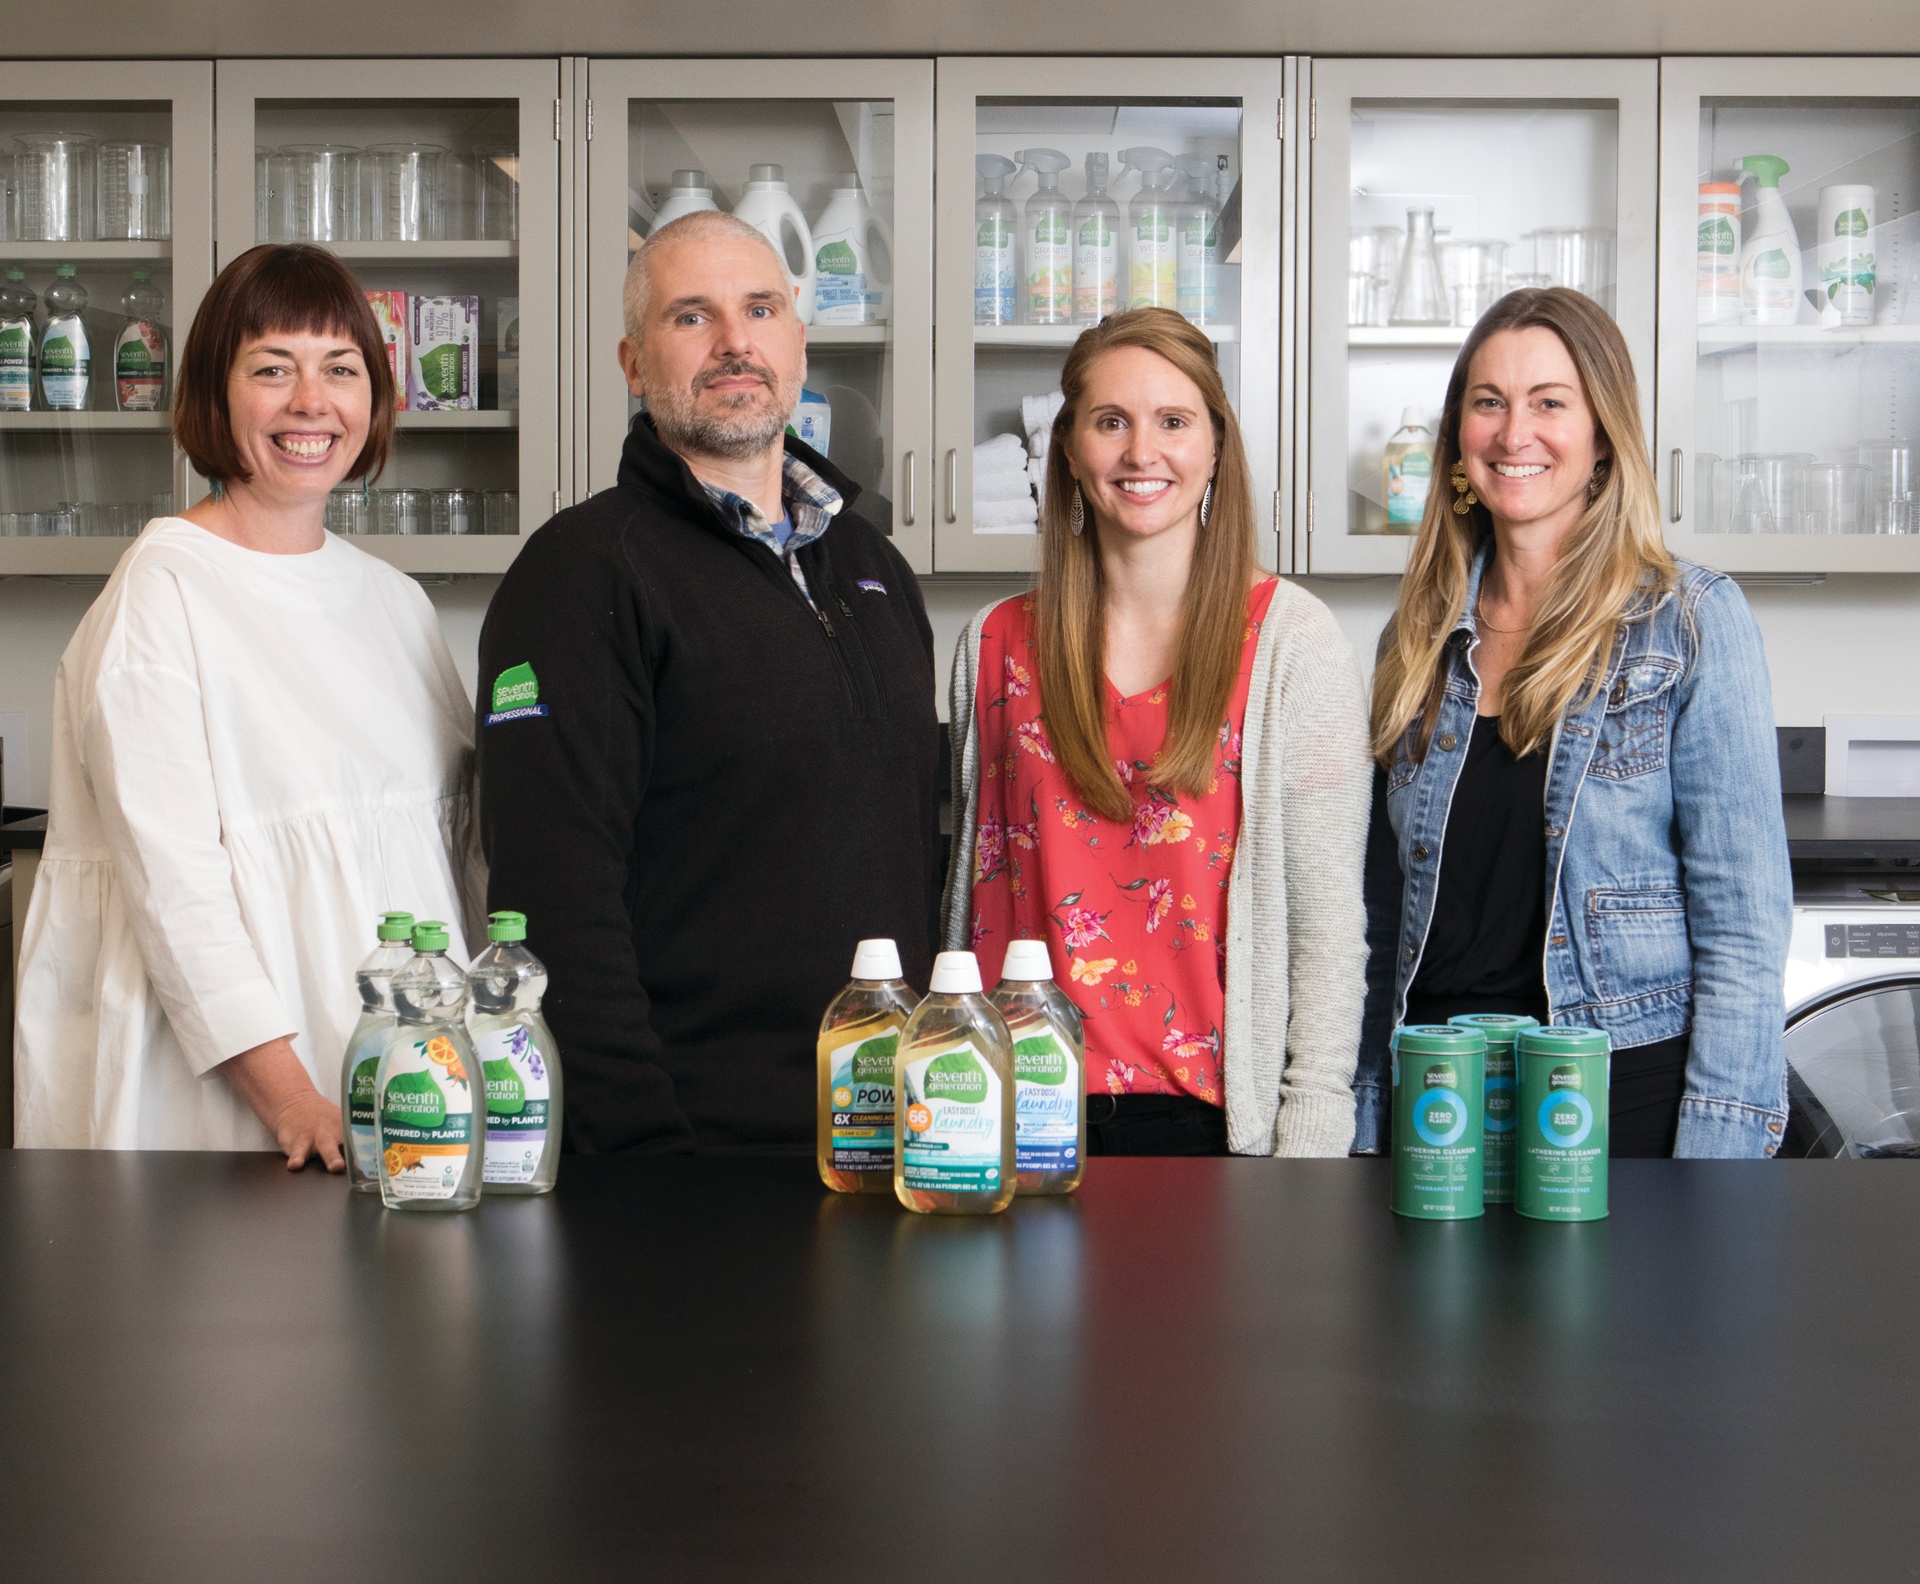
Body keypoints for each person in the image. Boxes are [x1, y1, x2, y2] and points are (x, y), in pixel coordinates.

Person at [476, 210, 939, 1155]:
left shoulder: (872, 563)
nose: (736, 342)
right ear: (633, 363)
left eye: (760, 309)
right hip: (702, 1151)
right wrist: (647, 1155)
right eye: (692, 317)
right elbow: (556, 899)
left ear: (799, 343)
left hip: (898, 1134)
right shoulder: (582, 573)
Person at [13, 244, 481, 1163]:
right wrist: (293, 1100)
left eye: (341, 369)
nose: (312, 402)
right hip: (244, 1094)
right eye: (273, 369)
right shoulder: (166, 590)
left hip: (403, 1083)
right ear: (214, 395)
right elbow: (173, 887)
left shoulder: (394, 601)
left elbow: (453, 856)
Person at [1355, 287, 1791, 1159]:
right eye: (1490, 403)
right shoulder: (1417, 636)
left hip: (1616, 1096)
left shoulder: (1691, 621)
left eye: (1550, 403)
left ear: (1602, 436)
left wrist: (1721, 1165)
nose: (1515, 435)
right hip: (1433, 1099)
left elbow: (1743, 931)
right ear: (1458, 439)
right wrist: (1362, 1116)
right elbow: (1379, 914)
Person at [942, 308, 1372, 1157]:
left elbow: (1326, 929)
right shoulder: (991, 646)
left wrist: (1312, 1140)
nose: (1142, 453)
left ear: (1215, 445)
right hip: (1003, 1119)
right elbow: (965, 906)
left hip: (1215, 1130)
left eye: (1173, 422)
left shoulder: (1292, 642)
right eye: (1112, 422)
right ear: (1068, 448)